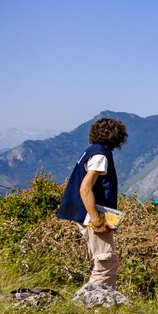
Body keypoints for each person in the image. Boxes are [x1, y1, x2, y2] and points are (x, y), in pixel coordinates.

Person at [56, 117, 128, 288]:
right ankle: (89, 304)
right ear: (117, 137)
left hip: (84, 214)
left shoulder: (91, 151)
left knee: (105, 261)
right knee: (106, 263)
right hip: (92, 216)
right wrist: (97, 220)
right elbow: (85, 189)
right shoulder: (100, 156)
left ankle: (101, 302)